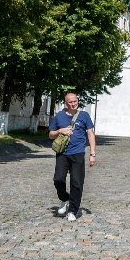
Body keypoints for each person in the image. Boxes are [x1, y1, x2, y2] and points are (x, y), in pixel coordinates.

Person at [48, 92, 96, 222]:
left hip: (78, 153)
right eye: (70, 102)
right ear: (66, 103)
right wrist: (59, 131)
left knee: (77, 182)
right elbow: (51, 134)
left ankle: (72, 211)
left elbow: (90, 135)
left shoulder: (84, 116)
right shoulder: (59, 116)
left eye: (75, 101)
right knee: (58, 180)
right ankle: (65, 199)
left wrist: (92, 154)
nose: (73, 104)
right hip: (62, 154)